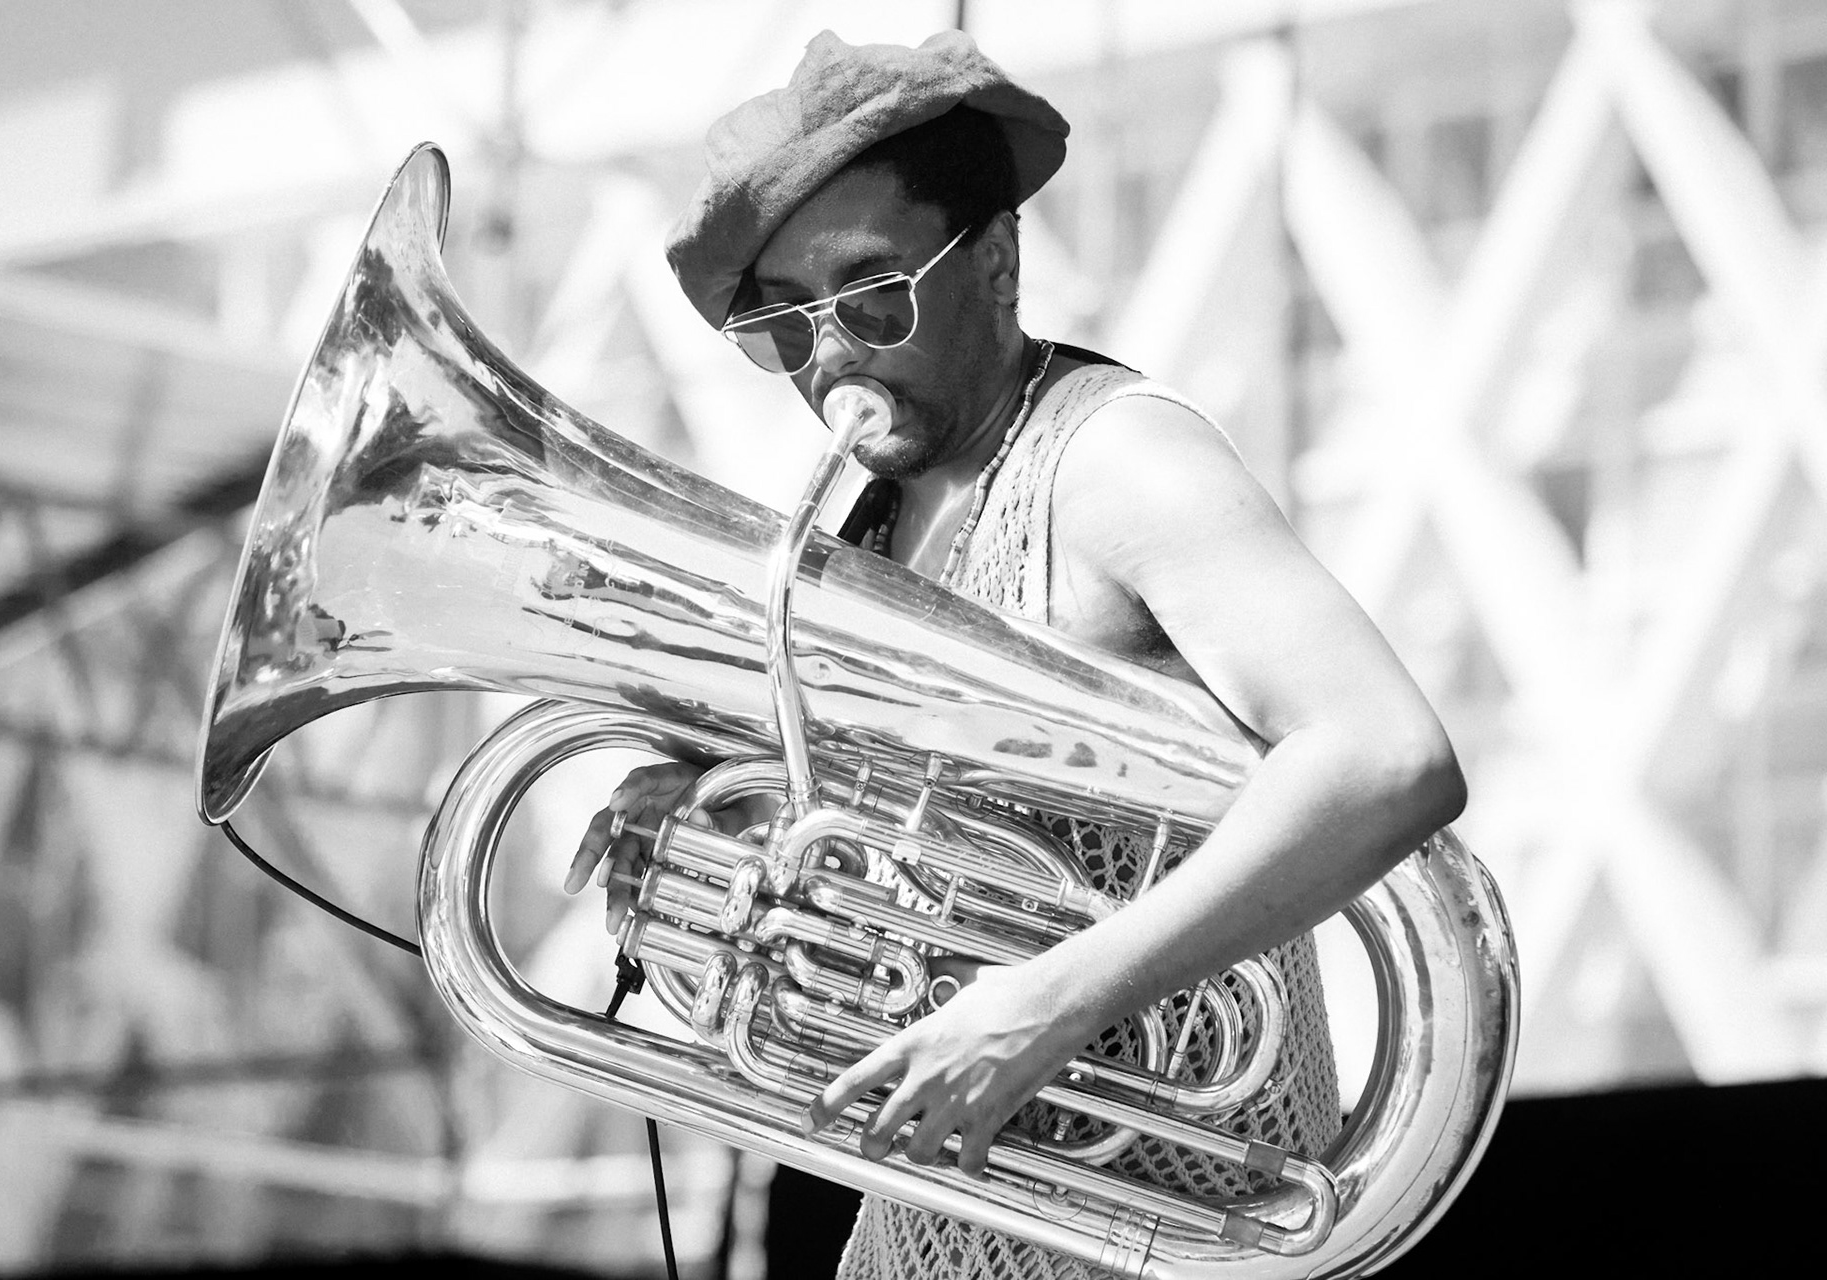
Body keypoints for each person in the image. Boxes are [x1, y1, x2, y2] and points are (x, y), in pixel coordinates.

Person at [563, 29, 1466, 1280]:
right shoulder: (863, 533)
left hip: (1174, 1230)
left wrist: (1047, 1003)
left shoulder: (1115, 461)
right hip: (929, 1238)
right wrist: (718, 849)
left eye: (872, 295)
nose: (830, 360)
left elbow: (1387, 758)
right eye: (783, 328)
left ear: (994, 262)